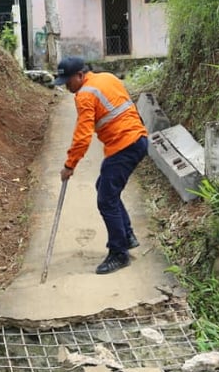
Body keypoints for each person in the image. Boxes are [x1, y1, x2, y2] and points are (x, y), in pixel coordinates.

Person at [55, 56, 149, 275]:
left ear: (80, 75)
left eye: (68, 81)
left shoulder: (85, 95)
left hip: (123, 145)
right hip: (137, 140)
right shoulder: (107, 77)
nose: (67, 86)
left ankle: (119, 253)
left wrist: (70, 165)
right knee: (105, 188)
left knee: (106, 199)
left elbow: (82, 136)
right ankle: (126, 235)